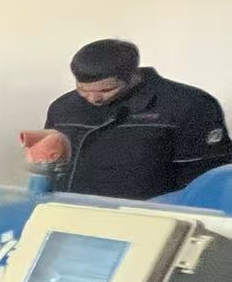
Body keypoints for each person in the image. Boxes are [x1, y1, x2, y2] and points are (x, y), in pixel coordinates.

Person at [43, 39, 229, 199]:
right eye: (83, 90)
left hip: (150, 215)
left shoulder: (188, 104)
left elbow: (208, 176)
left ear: (132, 76)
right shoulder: (63, 108)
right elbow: (49, 165)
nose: (93, 98)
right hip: (71, 212)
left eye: (106, 90)